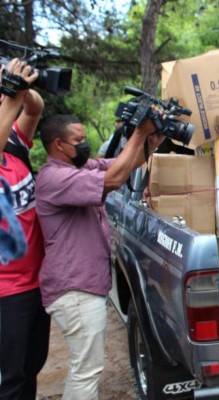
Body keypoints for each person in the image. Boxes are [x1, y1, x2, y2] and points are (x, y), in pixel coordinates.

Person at [35, 114, 164, 399]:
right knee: (86, 372)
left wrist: (150, 143)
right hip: (75, 291)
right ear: (58, 144)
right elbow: (115, 178)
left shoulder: (78, 167)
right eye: (78, 141)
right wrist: (139, 133)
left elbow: (122, 167)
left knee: (84, 369)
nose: (85, 145)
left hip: (81, 287)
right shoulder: (55, 177)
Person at [0, 59, 51, 400]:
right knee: (11, 378)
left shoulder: (16, 143)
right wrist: (10, 92)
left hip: (36, 281)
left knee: (31, 367)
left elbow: (35, 109)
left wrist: (21, 88)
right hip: (5, 292)